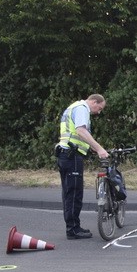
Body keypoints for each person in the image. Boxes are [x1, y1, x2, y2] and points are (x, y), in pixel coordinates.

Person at [56, 94, 109, 239]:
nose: (99, 112)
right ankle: (73, 229)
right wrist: (99, 149)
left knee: (69, 193)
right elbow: (81, 131)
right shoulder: (81, 109)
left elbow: (76, 134)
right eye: (100, 108)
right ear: (94, 101)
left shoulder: (74, 107)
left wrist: (89, 147)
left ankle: (72, 226)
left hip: (66, 154)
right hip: (71, 155)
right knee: (74, 193)